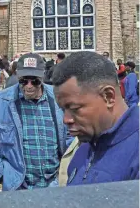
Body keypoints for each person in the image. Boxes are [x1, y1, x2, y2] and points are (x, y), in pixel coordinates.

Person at [0, 53, 69, 191]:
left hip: (54, 184)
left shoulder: (59, 98)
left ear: (43, 76)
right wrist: (2, 174)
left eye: (34, 81)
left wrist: (67, 169)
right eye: (23, 81)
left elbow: (70, 134)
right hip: (18, 186)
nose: (29, 86)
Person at [52, 51, 139, 185]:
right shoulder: (85, 146)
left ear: (108, 97)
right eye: (63, 109)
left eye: (74, 108)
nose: (66, 120)